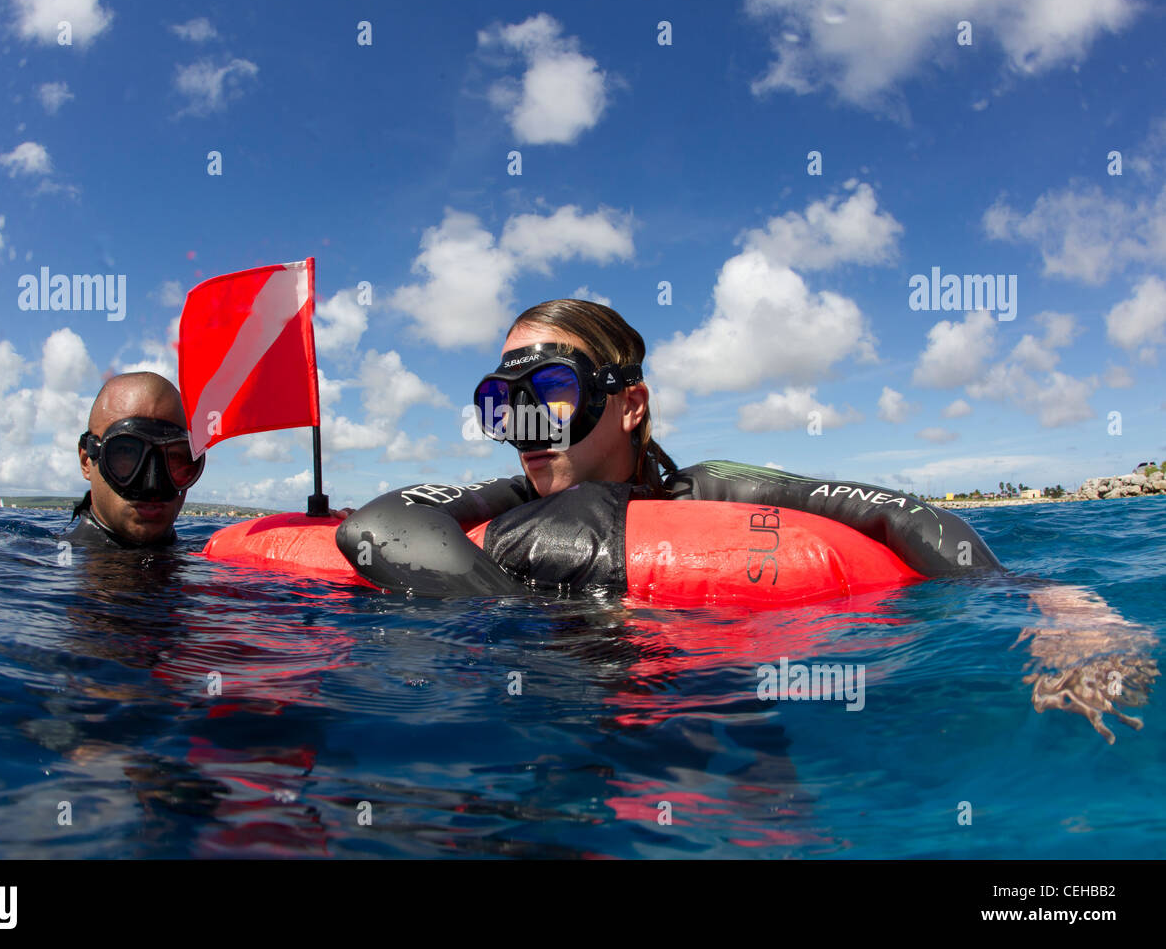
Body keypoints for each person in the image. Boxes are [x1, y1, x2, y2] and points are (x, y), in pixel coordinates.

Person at [336, 298, 1156, 742]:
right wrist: (548, 636)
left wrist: (1057, 607)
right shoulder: (517, 501)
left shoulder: (709, 489)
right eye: (505, 409)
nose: (529, 435)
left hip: (719, 706)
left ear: (628, 406)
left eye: (549, 398)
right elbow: (377, 528)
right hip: (545, 713)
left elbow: (897, 511)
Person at [64, 372, 205, 548]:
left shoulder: (218, 561)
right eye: (127, 452)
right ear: (86, 461)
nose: (152, 486)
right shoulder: (46, 563)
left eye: (174, 456)